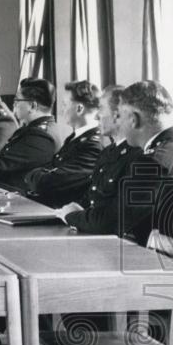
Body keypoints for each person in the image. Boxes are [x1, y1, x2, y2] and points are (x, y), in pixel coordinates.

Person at [113, 81, 173, 265]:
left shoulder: (152, 159)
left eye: (119, 116)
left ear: (133, 119)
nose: (117, 122)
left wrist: (69, 215)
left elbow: (115, 220)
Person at [59, 86, 142, 235]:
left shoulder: (137, 156)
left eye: (102, 109)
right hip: (91, 229)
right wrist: (73, 207)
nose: (97, 117)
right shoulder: (107, 152)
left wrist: (71, 216)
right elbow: (91, 197)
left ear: (117, 115)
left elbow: (112, 219)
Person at [23, 80, 104, 207]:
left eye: (65, 105)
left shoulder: (93, 145)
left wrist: (32, 175)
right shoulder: (76, 137)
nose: (61, 110)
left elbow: (47, 183)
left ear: (79, 108)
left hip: (63, 214)